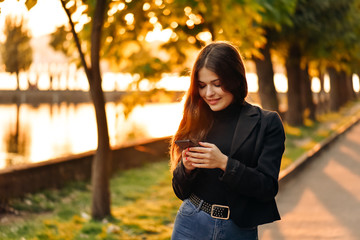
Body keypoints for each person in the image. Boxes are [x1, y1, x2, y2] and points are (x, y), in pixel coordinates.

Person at [170, 41, 285, 240]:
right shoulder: (195, 119)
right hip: (190, 223)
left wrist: (224, 163)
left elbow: (267, 187)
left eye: (217, 84)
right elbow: (180, 190)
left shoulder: (267, 123)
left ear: (235, 80)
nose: (209, 93)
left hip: (238, 229)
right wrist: (186, 168)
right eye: (202, 86)